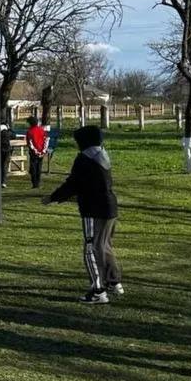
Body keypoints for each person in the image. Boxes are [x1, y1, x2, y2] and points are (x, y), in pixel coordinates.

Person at [42, 125, 121, 304]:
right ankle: (114, 281)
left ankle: (98, 290)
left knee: (91, 248)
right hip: (110, 207)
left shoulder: (84, 159)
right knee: (104, 245)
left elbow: (73, 184)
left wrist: (53, 198)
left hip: (93, 209)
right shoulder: (102, 154)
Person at [26, 115, 48, 188]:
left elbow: (30, 143)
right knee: (39, 167)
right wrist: (43, 151)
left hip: (33, 152)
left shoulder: (30, 131)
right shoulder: (42, 130)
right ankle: (38, 182)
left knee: (33, 168)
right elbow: (45, 140)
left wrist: (35, 151)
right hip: (41, 151)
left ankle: (34, 183)